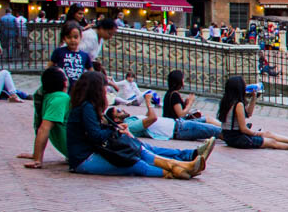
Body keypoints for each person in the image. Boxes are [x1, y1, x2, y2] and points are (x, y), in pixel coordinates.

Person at [65, 72, 205, 178]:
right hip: (84, 159)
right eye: (104, 88)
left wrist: (113, 128)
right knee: (134, 164)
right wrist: (115, 130)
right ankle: (177, 171)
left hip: (88, 154)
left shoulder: (85, 106)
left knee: (140, 153)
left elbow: (94, 131)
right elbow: (95, 135)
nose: (105, 92)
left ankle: (182, 167)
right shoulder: (87, 107)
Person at [218, 75, 288, 151]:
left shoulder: (227, 101)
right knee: (271, 142)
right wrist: (255, 133)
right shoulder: (238, 104)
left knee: (268, 134)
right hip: (237, 138)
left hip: (230, 136)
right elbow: (243, 129)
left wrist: (254, 97)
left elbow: (248, 113)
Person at [18, 67, 70, 168]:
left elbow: (39, 125)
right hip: (78, 150)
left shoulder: (48, 97)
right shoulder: (61, 99)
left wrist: (36, 154)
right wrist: (37, 159)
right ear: (65, 82)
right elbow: (44, 129)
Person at [123, 95, 222, 143]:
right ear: (116, 119)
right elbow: (152, 118)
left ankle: (232, 131)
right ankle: (235, 136)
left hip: (179, 124)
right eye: (118, 111)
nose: (122, 110)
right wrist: (148, 103)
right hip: (178, 129)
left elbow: (148, 118)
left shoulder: (130, 120)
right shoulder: (129, 125)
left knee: (209, 121)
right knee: (218, 132)